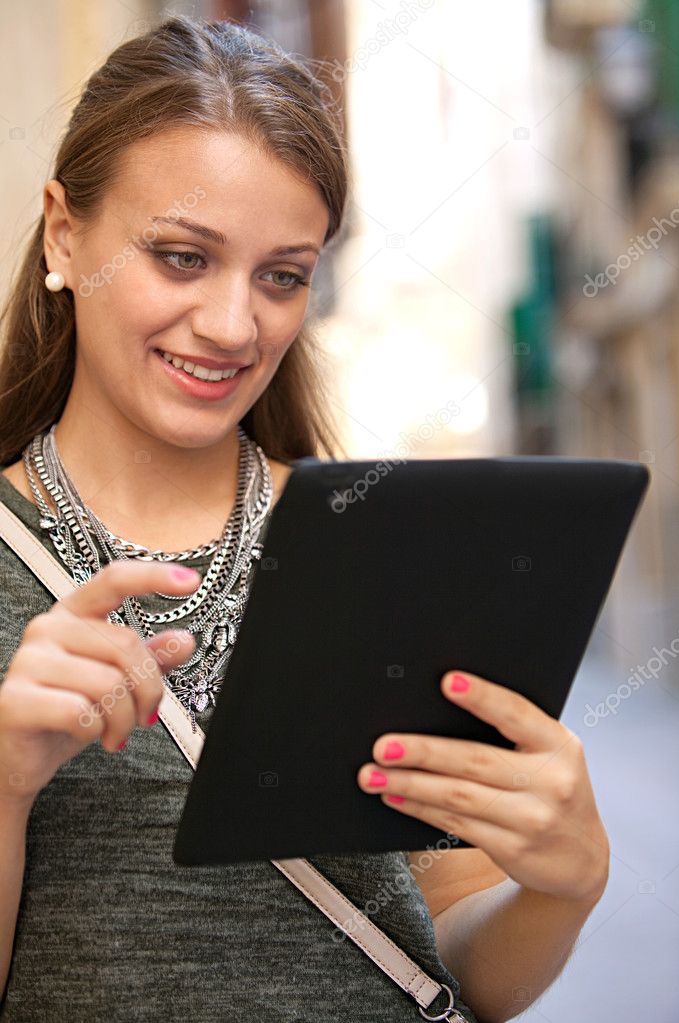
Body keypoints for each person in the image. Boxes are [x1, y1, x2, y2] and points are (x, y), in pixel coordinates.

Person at [0, 15, 610, 1023]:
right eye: (183, 258)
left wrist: (561, 886)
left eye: (282, 275)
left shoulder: (383, 553)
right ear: (66, 234)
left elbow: (461, 969)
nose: (236, 326)